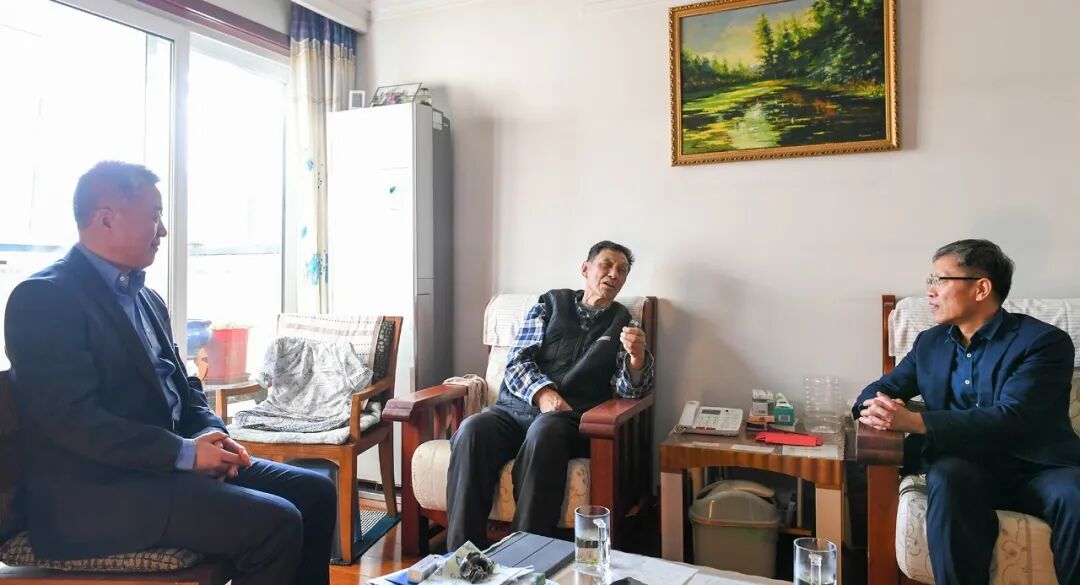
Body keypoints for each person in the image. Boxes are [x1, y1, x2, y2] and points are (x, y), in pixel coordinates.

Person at [3, 161, 336, 585]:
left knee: (316, 492)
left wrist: (211, 436)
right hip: (93, 496)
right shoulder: (44, 298)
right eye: (155, 215)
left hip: (159, 470)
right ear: (106, 219)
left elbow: (185, 386)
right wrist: (184, 454)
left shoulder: (146, 297)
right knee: (276, 524)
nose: (162, 230)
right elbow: (72, 421)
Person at [855, 239, 1080, 585]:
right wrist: (875, 408)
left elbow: (1013, 417)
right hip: (965, 467)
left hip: (1037, 467)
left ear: (981, 288)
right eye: (930, 281)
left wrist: (915, 421)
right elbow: (878, 389)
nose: (930, 291)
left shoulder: (1044, 343)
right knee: (947, 477)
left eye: (940, 280)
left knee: (1075, 494)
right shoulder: (930, 343)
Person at [445, 240, 655, 550]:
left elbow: (627, 393)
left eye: (622, 271)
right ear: (586, 269)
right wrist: (542, 394)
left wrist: (637, 360)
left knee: (545, 431)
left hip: (567, 420)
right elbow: (517, 360)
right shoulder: (550, 304)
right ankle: (462, 556)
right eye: (606, 265)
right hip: (513, 410)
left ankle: (524, 554)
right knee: (472, 429)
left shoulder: (624, 322)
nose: (614, 274)